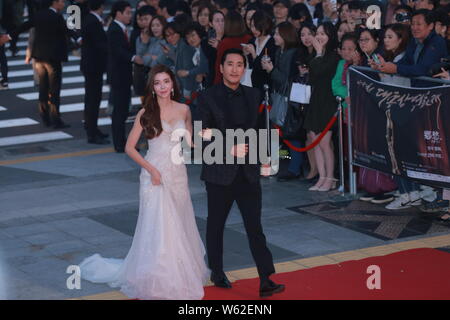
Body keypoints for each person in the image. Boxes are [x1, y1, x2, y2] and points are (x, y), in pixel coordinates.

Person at [79, 64, 209, 300]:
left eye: (166, 82)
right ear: (152, 87)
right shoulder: (145, 113)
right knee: (159, 226)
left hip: (178, 172)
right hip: (154, 173)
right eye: (157, 83)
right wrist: (152, 171)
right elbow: (130, 148)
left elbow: (190, 143)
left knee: (179, 222)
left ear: (172, 85)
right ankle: (159, 275)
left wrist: (205, 136)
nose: (162, 87)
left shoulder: (184, 110)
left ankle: (180, 271)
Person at [198, 48, 285, 298]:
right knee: (215, 225)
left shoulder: (254, 94)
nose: (235, 69)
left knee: (254, 227)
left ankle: (266, 278)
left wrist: (265, 160)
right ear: (221, 68)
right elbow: (200, 134)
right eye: (230, 64)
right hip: (218, 174)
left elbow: (258, 131)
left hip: (248, 173)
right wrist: (228, 147)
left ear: (244, 69)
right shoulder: (207, 97)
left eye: (240, 65)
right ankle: (217, 271)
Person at [261, 22, 304, 182]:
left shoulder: (293, 54)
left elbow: (287, 81)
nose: (274, 37)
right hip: (278, 97)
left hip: (288, 100)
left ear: (286, 35)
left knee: (291, 134)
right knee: (281, 135)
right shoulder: (280, 51)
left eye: (278, 34)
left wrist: (271, 70)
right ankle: (286, 164)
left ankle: (294, 168)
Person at [302, 22, 340, 192]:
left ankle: (330, 177)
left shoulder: (333, 56)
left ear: (330, 37)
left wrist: (317, 53)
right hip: (315, 101)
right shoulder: (317, 56)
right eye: (317, 33)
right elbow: (312, 77)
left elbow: (319, 72)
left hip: (328, 102)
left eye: (323, 34)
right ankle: (322, 176)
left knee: (325, 142)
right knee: (314, 140)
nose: (318, 37)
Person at [373, 9, 449, 87]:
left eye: (419, 24)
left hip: (433, 92)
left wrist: (396, 68)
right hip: (415, 90)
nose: (414, 28)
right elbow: (405, 61)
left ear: (431, 26)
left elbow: (424, 69)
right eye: (412, 24)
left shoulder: (437, 42)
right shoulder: (413, 40)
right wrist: (384, 65)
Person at [31, 0, 75, 129]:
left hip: (39, 57)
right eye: (61, 1)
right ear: (54, 3)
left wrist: (10, 36)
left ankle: (45, 116)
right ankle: (56, 118)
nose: (63, 3)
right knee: (54, 90)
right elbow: (67, 30)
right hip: (53, 58)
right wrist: (78, 38)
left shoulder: (39, 14)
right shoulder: (56, 16)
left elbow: (28, 26)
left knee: (43, 88)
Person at [107, 1, 144, 153]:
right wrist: (133, 58)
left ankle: (121, 142)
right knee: (119, 111)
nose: (130, 16)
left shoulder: (120, 29)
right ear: (118, 13)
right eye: (128, 13)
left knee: (121, 110)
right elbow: (118, 51)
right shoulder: (115, 29)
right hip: (118, 76)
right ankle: (120, 144)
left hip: (121, 76)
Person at [81, 0, 110, 145]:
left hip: (90, 66)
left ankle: (92, 128)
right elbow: (100, 45)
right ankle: (92, 132)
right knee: (93, 99)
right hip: (94, 67)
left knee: (92, 99)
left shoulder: (89, 19)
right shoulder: (93, 22)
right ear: (101, 7)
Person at [243, 9, 276, 93]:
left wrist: (254, 54)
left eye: (257, 27)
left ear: (265, 26)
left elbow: (265, 69)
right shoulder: (251, 41)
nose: (254, 30)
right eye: (252, 26)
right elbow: (249, 66)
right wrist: (246, 55)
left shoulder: (273, 43)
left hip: (267, 87)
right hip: (252, 86)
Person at [213, 10, 252, 84]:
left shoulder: (224, 43)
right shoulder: (250, 39)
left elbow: (219, 69)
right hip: (248, 83)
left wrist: (216, 86)